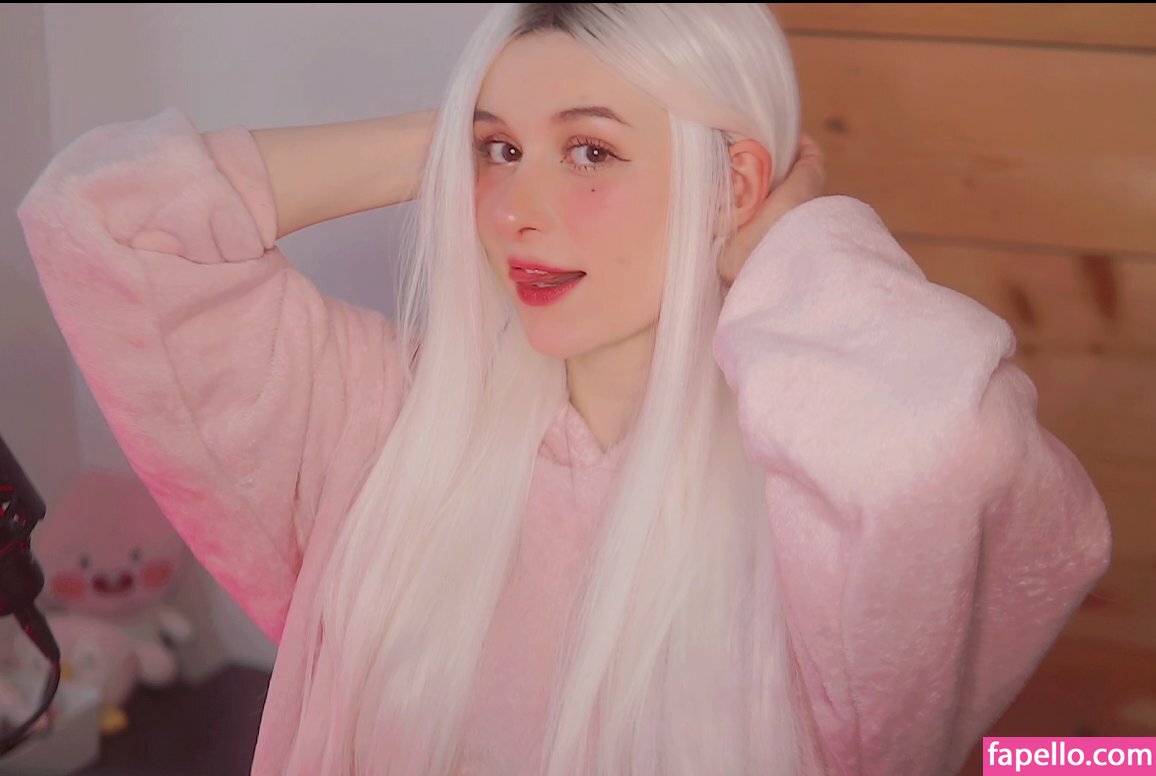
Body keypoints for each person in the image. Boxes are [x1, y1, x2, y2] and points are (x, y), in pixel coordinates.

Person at [17, 4, 1109, 775]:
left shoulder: (815, 500)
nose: (515, 213)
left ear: (730, 181)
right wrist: (454, 133)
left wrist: (787, 234)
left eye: (590, 152)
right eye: (499, 155)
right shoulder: (382, 421)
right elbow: (100, 220)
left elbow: (943, 448)